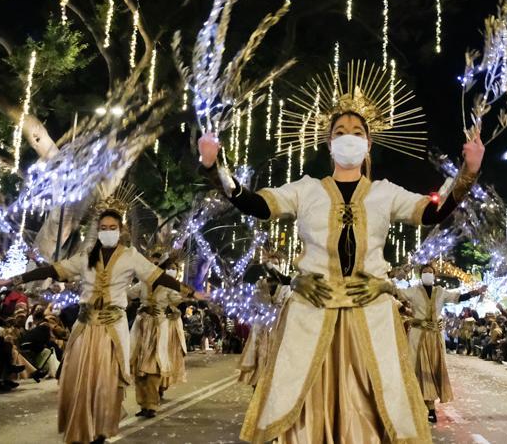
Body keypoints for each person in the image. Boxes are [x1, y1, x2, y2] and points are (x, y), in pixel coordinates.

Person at [199, 92, 484, 443]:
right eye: (339, 132)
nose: (348, 136)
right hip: (312, 311)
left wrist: (468, 173)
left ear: (367, 144)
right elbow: (257, 204)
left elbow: (431, 212)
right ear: (329, 143)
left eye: (356, 132)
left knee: (373, 400)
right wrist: (215, 168)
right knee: (305, 402)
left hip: (371, 313)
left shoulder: (384, 192)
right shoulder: (305, 190)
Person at [0, 209, 190, 443]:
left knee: (106, 382)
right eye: (103, 228)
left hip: (112, 330)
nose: (107, 232)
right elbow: (54, 270)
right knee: (77, 380)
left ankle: (100, 430)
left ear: (121, 230)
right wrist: (14, 280)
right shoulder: (86, 256)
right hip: (85, 328)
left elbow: (157, 276)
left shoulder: (131, 256)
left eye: (112, 228)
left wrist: (189, 291)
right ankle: (80, 428)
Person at [395, 263, 485, 423]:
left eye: (430, 272)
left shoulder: (441, 292)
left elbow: (458, 297)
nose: (428, 274)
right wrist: (397, 275)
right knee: (418, 368)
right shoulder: (414, 291)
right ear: (420, 275)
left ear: (434, 275)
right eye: (425, 272)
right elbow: (396, 293)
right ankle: (424, 406)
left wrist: (475, 292)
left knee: (434, 370)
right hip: (418, 336)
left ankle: (430, 405)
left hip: (435, 337)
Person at [127, 251, 191, 417]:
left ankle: (152, 405)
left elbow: (178, 298)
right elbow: (128, 295)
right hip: (141, 328)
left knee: (153, 368)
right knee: (139, 369)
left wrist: (182, 298)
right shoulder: (142, 283)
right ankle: (143, 405)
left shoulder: (168, 285)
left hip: (159, 328)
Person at [238, 254, 292, 387]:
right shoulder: (260, 284)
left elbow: (288, 308)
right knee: (260, 360)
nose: (274, 265)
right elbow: (254, 305)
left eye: (276, 263)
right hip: (261, 328)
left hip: (280, 328)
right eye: (271, 263)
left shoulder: (287, 285)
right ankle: (258, 392)